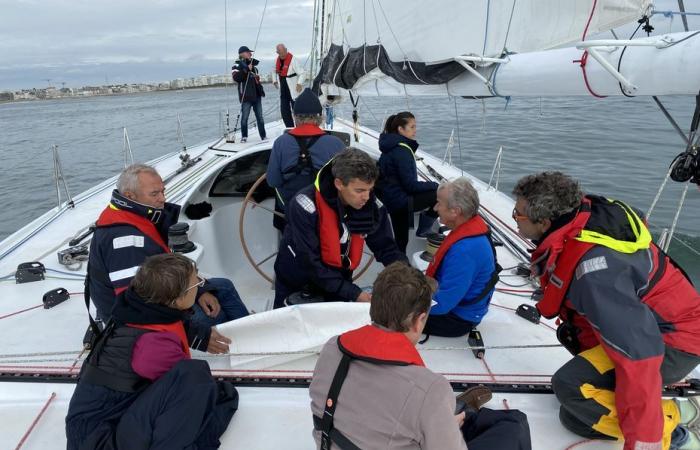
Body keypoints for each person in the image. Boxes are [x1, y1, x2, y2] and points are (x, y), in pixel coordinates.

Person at [512, 171, 700, 450]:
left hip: (673, 343)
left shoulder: (597, 274)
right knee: (574, 419)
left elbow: (640, 355)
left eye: (519, 214)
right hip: (652, 327)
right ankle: (671, 410)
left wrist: (644, 441)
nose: (513, 217)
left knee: (568, 387)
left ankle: (669, 429)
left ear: (545, 222)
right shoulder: (584, 219)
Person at [309, 262, 532, 450]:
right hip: (424, 407)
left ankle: (442, 416)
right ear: (419, 320)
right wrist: (450, 429)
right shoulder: (429, 387)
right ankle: (445, 416)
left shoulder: (332, 349)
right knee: (514, 423)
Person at [66, 253, 239, 450]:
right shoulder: (155, 346)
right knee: (197, 377)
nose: (200, 286)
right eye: (195, 285)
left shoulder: (135, 310)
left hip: (90, 429)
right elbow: (179, 392)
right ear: (177, 299)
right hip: (100, 440)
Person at [87, 164, 249, 344]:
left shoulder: (135, 216)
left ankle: (247, 334)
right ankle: (238, 344)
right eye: (154, 194)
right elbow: (137, 307)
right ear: (129, 196)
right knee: (215, 315)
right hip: (136, 324)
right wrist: (198, 336)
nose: (163, 199)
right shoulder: (126, 242)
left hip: (164, 294)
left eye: (163, 191)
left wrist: (200, 290)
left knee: (223, 287)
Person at [273, 147, 407, 308]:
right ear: (339, 184)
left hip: (339, 281)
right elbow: (309, 260)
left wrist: (409, 277)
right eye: (359, 190)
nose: (366, 197)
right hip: (297, 280)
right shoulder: (304, 205)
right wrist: (354, 293)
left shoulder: (373, 207)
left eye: (370, 189)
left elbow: (386, 248)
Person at [424, 177, 499, 337]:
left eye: (439, 203)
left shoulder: (465, 250)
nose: (435, 207)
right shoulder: (466, 230)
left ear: (455, 211)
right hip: (455, 305)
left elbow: (443, 304)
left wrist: (404, 306)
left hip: (457, 319)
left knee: (387, 314)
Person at [266, 88, 345, 230]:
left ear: (295, 117)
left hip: (291, 214)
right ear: (320, 117)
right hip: (325, 216)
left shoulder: (280, 143)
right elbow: (345, 182)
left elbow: (273, 181)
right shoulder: (336, 144)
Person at [377, 112, 438, 253]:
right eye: (412, 127)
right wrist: (436, 185)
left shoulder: (389, 146)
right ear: (400, 129)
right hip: (401, 202)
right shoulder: (402, 151)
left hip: (390, 197)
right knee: (439, 194)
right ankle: (423, 230)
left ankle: (398, 267)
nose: (415, 130)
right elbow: (410, 186)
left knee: (400, 240)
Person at [231, 45, 266, 143]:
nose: (250, 54)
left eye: (250, 52)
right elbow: (236, 78)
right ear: (242, 54)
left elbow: (257, 80)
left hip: (257, 96)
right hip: (246, 96)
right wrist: (246, 69)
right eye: (248, 52)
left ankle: (263, 136)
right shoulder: (236, 65)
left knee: (260, 117)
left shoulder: (254, 66)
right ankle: (244, 136)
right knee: (244, 118)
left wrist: (261, 90)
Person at [273, 43, 304, 128]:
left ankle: (300, 128)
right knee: (284, 112)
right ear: (277, 52)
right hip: (283, 91)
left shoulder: (294, 60)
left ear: (286, 50)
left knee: (297, 112)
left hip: (294, 90)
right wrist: (274, 80)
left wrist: (299, 83)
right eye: (280, 53)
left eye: (284, 52)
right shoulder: (276, 61)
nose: (283, 54)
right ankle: (290, 129)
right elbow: (273, 71)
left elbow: (302, 73)